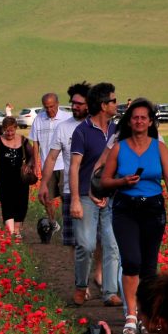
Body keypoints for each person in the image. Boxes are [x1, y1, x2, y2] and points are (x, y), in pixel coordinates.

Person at [99, 97, 168, 334]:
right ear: (129, 121)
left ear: (150, 121)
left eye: (143, 117)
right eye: (135, 117)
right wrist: (122, 181)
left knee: (148, 266)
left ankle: (147, 314)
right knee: (131, 261)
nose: (139, 121)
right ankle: (131, 314)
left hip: (153, 209)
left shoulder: (159, 147)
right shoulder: (119, 147)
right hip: (126, 208)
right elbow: (104, 181)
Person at [69, 82, 122, 307]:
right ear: (103, 105)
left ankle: (110, 292)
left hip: (111, 196)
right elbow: (74, 166)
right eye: (113, 100)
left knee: (112, 244)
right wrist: (74, 200)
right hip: (85, 195)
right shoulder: (82, 131)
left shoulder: (117, 130)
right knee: (87, 244)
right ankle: (81, 285)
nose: (116, 104)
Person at [38, 82, 90, 248]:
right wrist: (44, 184)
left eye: (79, 104)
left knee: (97, 240)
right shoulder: (63, 127)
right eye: (72, 103)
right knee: (73, 242)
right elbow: (51, 158)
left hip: (95, 191)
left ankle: (98, 275)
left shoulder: (97, 126)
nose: (74, 107)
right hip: (70, 190)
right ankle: (80, 275)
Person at [30, 93, 70, 235]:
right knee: (46, 198)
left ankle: (68, 226)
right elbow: (35, 143)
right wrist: (36, 164)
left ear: (58, 104)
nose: (49, 110)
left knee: (67, 198)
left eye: (52, 106)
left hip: (65, 165)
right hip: (47, 166)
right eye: (46, 107)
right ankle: (53, 222)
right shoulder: (39, 119)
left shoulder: (67, 118)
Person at [0, 116, 33, 240]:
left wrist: (29, 165)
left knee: (21, 203)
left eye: (12, 130)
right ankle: (11, 232)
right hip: (3, 178)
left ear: (16, 129)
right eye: (7, 131)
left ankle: (17, 230)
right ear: (3, 129)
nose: (9, 133)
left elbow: (31, 156)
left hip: (20, 178)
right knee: (7, 203)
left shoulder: (23, 140)